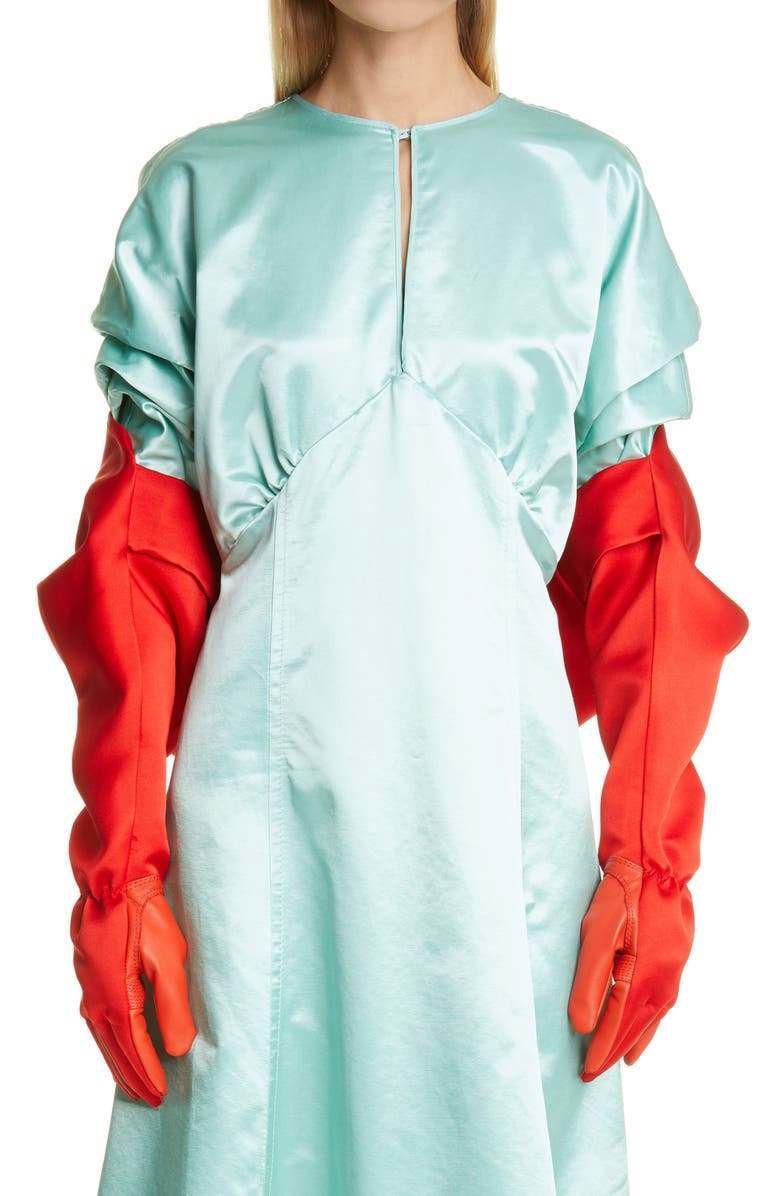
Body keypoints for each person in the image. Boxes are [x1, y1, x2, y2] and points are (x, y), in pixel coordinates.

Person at [38, 1, 747, 1192]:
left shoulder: (589, 192)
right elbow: (135, 570)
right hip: (258, 821)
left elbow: (645, 562)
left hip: (501, 825)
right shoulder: (200, 192)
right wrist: (124, 867)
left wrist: (647, 857)